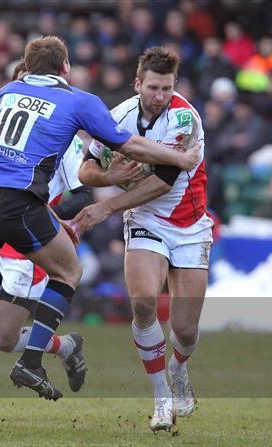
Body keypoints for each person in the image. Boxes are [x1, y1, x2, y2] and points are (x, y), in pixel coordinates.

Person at [0, 36, 201, 405]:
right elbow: (129, 145)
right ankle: (29, 362)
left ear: (26, 69)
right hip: (17, 202)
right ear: (66, 67)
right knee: (69, 271)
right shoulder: (78, 100)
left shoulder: (4, 93)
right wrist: (181, 160)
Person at [74, 46, 213, 432]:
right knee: (143, 302)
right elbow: (86, 170)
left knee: (184, 329)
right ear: (138, 84)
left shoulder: (185, 117)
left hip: (189, 222)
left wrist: (106, 206)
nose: (160, 96)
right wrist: (110, 176)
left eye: (167, 87)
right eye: (153, 87)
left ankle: (178, 369)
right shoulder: (117, 116)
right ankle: (161, 398)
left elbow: (162, 180)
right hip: (145, 219)